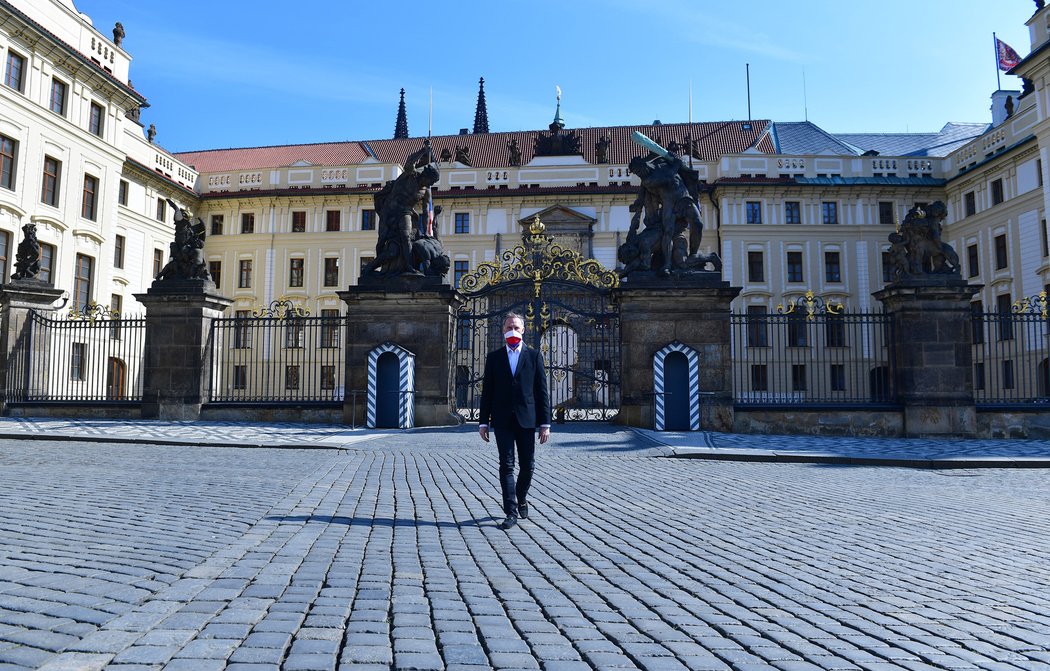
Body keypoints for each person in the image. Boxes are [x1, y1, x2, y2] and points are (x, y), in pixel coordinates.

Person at [478, 312, 551, 530]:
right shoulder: (494, 357)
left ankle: (521, 497)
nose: (512, 331)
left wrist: (545, 424)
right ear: (503, 331)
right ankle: (510, 512)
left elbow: (542, 392)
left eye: (516, 327)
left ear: (523, 330)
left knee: (528, 465)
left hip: (527, 419)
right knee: (506, 465)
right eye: (509, 327)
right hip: (502, 419)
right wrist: (483, 422)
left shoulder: (534, 356)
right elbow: (487, 392)